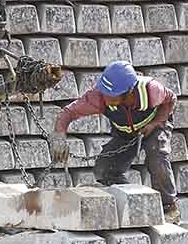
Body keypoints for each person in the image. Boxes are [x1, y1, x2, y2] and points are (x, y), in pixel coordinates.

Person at [49, 61, 181, 223]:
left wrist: (155, 123)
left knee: (157, 155)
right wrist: (59, 136)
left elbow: (171, 100)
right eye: (104, 92)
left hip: (153, 126)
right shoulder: (97, 97)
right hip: (124, 131)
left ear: (129, 92)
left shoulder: (152, 90)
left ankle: (169, 207)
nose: (106, 97)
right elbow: (68, 113)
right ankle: (131, 201)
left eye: (111, 95)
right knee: (104, 169)